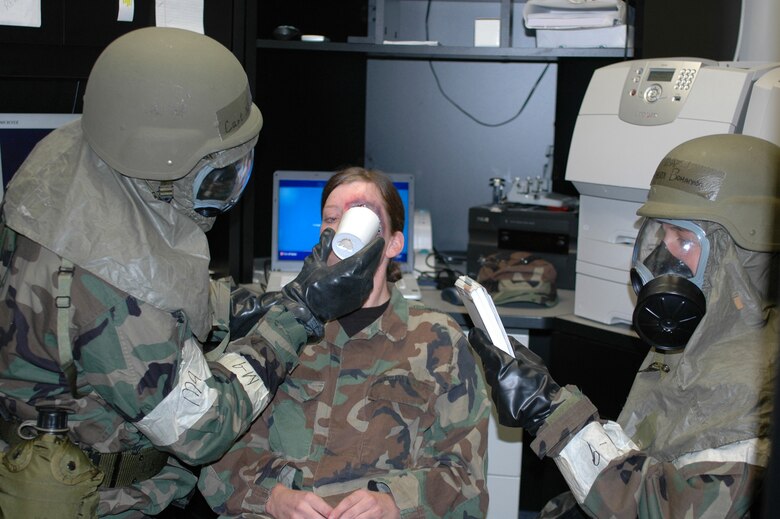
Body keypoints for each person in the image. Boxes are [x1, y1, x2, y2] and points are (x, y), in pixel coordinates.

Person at [0, 28, 383, 518]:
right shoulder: (114, 287)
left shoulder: (80, 162)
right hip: (106, 501)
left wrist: (248, 306)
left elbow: (156, 271)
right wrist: (299, 313)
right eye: (221, 171)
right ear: (168, 165)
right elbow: (205, 428)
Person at [469, 133, 780, 518]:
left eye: (682, 240)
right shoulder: (702, 337)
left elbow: (660, 508)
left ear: (740, 257)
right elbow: (642, 453)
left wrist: (550, 411)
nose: (665, 257)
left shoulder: (753, 388)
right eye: (660, 234)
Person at [199, 167, 492, 518]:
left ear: (394, 243)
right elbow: (212, 445)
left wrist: (395, 504)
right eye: (331, 218)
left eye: (362, 215)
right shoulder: (276, 327)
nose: (342, 227)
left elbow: (465, 478)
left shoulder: (439, 341)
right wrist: (271, 496)